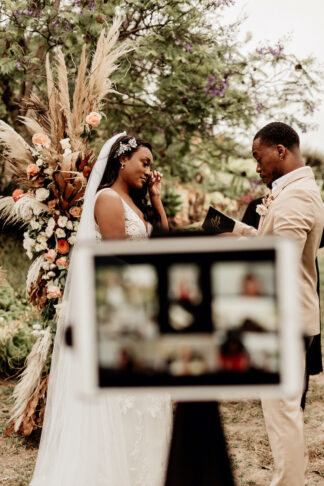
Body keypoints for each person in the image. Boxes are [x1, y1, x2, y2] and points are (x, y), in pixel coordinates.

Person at [30, 133, 173, 486]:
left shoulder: (132, 201)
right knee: (125, 401)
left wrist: (156, 199)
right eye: (145, 163)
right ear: (122, 160)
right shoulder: (109, 199)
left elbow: (165, 244)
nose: (148, 171)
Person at [232, 122, 324, 486]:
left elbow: (279, 262)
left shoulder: (298, 195)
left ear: (281, 150)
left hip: (283, 317)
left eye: (259, 156)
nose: (257, 166)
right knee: (284, 412)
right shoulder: (293, 190)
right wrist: (239, 232)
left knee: (282, 413)